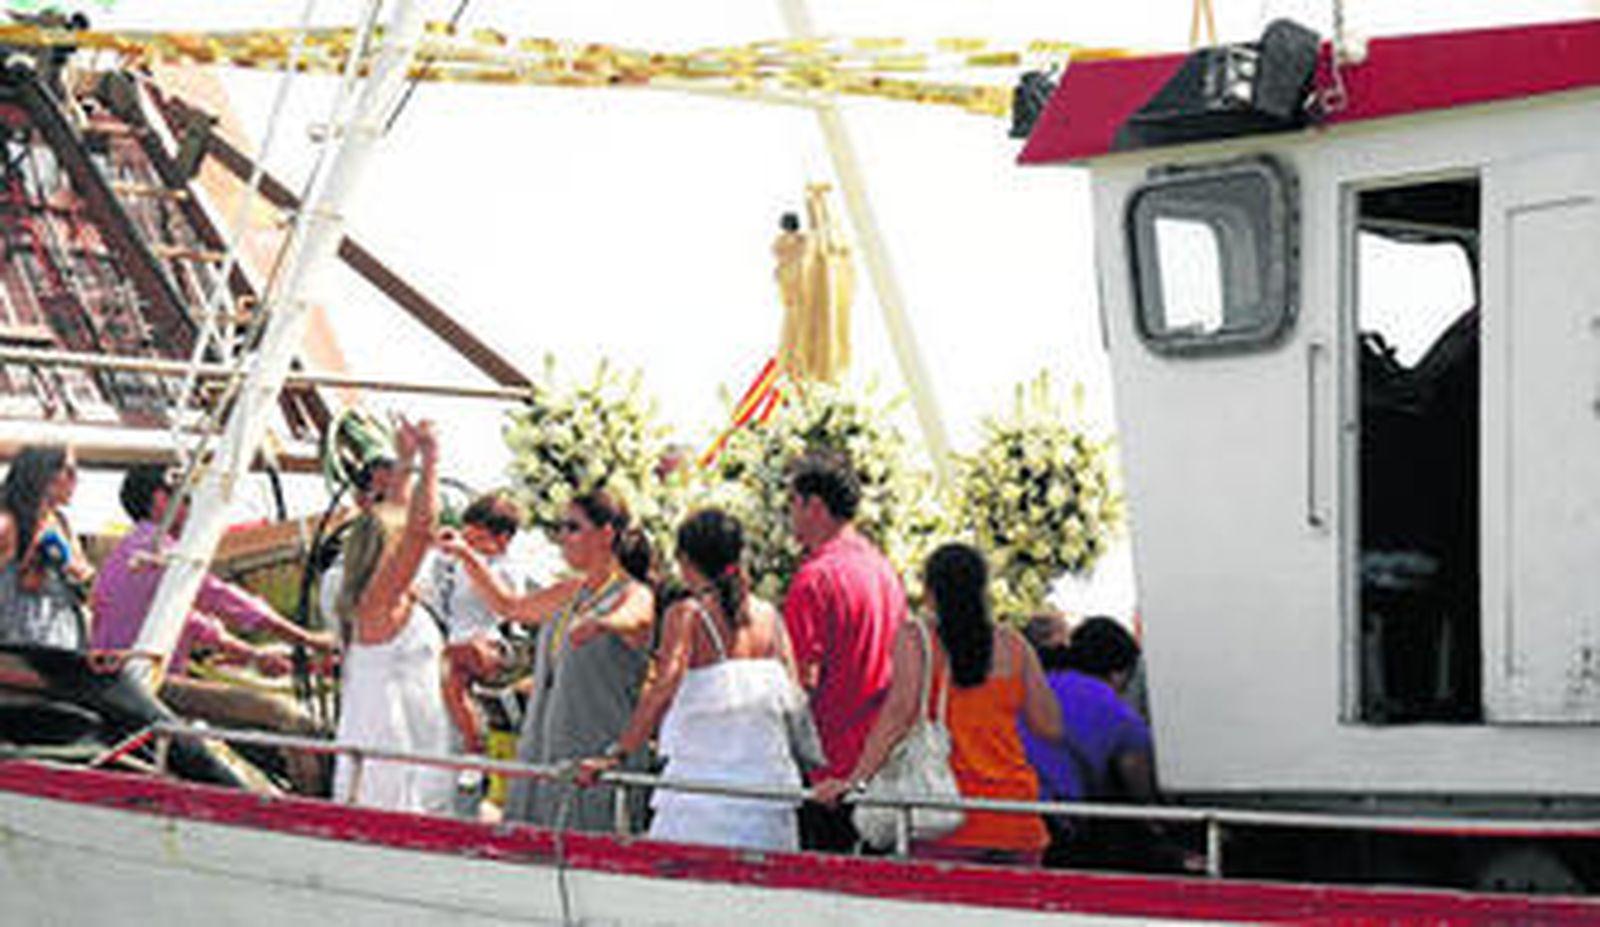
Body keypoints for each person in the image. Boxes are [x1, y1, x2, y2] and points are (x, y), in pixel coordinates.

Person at [90, 464, 336, 792]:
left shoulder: (126, 554)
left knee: (249, 729)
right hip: (151, 687)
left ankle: (278, 789)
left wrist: (253, 656)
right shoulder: (162, 554)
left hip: (128, 684)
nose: (192, 510)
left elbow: (194, 623)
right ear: (161, 502)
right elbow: (225, 600)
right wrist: (309, 639)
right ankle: (314, 807)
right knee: (290, 717)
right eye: (187, 500)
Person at [816, 543, 1062, 867]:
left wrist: (855, 780)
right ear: (981, 590)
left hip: (946, 818)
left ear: (930, 591)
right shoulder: (1015, 645)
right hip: (1016, 818)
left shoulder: (916, 639)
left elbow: (898, 714)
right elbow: (1050, 727)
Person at [580, 508, 805, 851]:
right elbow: (795, 692)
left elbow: (662, 688)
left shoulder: (687, 614)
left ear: (686, 560)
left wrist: (618, 752)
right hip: (766, 791)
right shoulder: (770, 617)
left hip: (701, 794)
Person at [439, 488, 654, 833]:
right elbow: (508, 606)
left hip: (594, 756)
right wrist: (466, 554)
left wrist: (603, 623)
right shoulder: (571, 591)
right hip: (546, 746)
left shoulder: (634, 593)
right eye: (559, 527)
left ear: (606, 534)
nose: (561, 538)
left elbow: (638, 618)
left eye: (572, 527)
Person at [782, 451, 908, 852]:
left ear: (814, 506)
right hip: (879, 764)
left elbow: (800, 683)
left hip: (826, 772)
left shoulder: (814, 579)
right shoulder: (884, 570)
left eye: (792, 505)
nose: (789, 517)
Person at [330, 417, 454, 814]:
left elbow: (401, 519)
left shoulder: (378, 599)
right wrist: (431, 461)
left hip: (412, 747)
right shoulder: (378, 603)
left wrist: (405, 461)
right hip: (389, 758)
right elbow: (417, 531)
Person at [1022, 615, 1195, 872]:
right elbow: (1142, 799)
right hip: (1058, 828)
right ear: (1119, 672)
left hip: (1010, 809)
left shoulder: (1035, 684)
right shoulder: (1118, 713)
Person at [426, 491, 528, 757]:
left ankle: (475, 746)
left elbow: (506, 607)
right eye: (468, 536)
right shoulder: (453, 561)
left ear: (503, 539)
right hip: (454, 643)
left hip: (490, 644)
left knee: (452, 660)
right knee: (453, 677)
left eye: (479, 539)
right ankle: (474, 746)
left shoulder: (506, 568)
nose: (470, 544)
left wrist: (468, 557)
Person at [0, 445, 92, 650]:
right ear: (43, 473)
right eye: (68, 471)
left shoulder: (61, 523)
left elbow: (86, 576)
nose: (75, 480)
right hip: (15, 648)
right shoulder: (8, 524)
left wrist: (73, 568)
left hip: (62, 642)